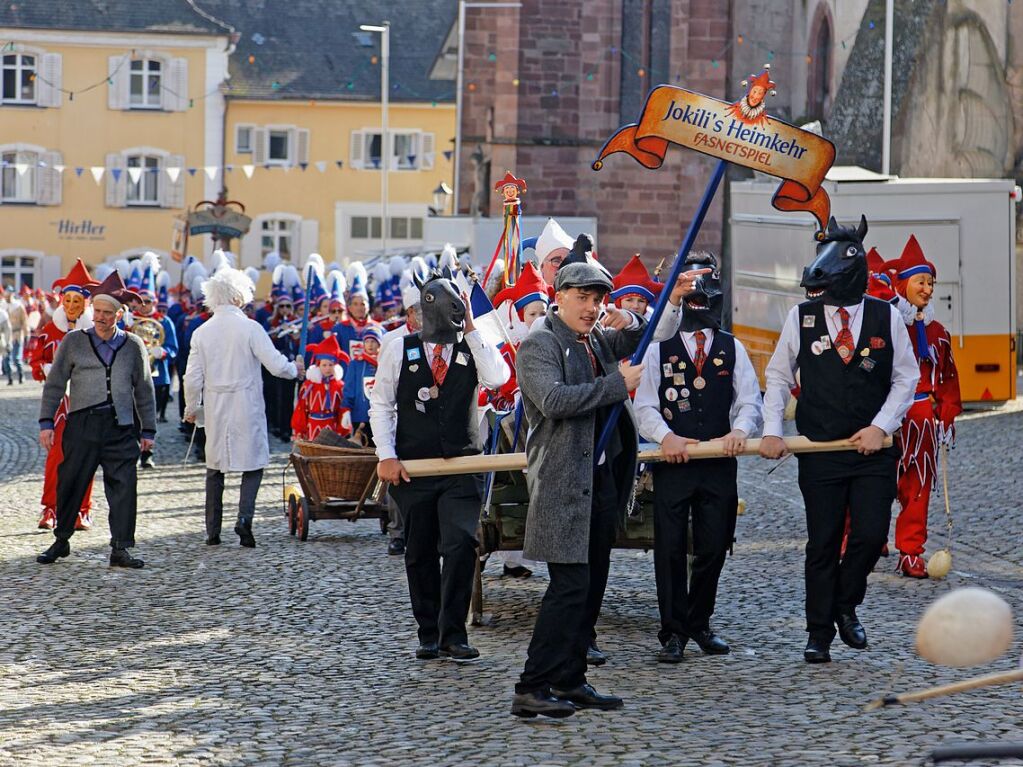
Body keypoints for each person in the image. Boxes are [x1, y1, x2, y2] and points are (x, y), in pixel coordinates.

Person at [509, 256, 707, 718]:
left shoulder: (594, 337)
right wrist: (615, 385)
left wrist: (669, 301)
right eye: (582, 298)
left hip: (599, 482)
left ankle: (570, 678)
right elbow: (555, 401)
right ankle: (531, 686)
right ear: (558, 297)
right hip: (561, 483)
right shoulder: (540, 344)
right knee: (569, 589)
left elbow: (646, 336)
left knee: (592, 587)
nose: (591, 307)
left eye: (597, 299)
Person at [759, 216, 917, 664]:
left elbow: (906, 378)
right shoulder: (802, 317)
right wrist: (773, 430)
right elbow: (777, 376)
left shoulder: (887, 315)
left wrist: (881, 426)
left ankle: (846, 604)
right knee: (823, 542)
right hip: (820, 451)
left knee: (869, 535)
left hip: (872, 452)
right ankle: (819, 633)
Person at [369, 271, 509, 663]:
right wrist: (386, 455)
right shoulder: (400, 349)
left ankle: (454, 633)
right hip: (414, 469)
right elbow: (381, 405)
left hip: (462, 464)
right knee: (420, 551)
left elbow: (499, 378)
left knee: (462, 543)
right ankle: (428, 632)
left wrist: (472, 330)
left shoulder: (470, 346)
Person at [634, 252, 762, 663]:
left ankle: (699, 621)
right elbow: (645, 406)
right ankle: (673, 632)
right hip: (674, 463)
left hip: (719, 462)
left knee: (712, 546)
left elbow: (750, 402)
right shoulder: (660, 346)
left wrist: (741, 430)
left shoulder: (732, 347)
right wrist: (665, 436)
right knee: (670, 548)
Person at [36, 271, 156, 568]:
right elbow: (55, 384)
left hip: (121, 426)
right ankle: (61, 539)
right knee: (71, 481)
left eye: (108, 313)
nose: (101, 317)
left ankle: (120, 548)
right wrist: (46, 423)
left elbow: (144, 388)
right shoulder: (75, 342)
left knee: (124, 486)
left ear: (119, 314)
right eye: (98, 312)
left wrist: (149, 430)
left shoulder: (132, 345)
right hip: (82, 424)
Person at [184, 267, 305, 548]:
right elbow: (275, 365)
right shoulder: (250, 328)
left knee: (215, 467)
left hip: (216, 403)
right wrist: (294, 369)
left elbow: (192, 377)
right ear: (240, 297)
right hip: (246, 402)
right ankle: (243, 519)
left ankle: (212, 530)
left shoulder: (202, 332)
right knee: (253, 463)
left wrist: (192, 406)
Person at [883, 236, 962, 578]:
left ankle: (911, 550)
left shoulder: (938, 333)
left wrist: (945, 416)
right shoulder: (883, 327)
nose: (928, 289)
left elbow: (948, 379)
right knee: (876, 483)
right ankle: (858, 540)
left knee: (917, 488)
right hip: (884, 418)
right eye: (921, 281)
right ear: (902, 285)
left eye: (931, 282)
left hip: (921, 418)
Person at [29, 259, 99, 531]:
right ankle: (50, 508)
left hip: (88, 402)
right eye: (67, 301)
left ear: (85, 304)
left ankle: (83, 509)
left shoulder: (94, 333)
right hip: (59, 405)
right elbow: (35, 362)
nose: (71, 307)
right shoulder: (49, 331)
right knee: (55, 455)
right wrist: (45, 369)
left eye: (77, 301)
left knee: (86, 456)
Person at [133, 263, 178, 466]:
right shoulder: (130, 320)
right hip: (133, 375)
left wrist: (164, 352)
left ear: (154, 302)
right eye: (140, 301)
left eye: (148, 301)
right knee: (134, 413)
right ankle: (138, 450)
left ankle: (148, 450)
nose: (144, 305)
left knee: (151, 415)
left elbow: (174, 348)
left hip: (158, 375)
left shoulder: (165, 322)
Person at [291, 334, 349, 441]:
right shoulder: (309, 386)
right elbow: (301, 408)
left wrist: (342, 429)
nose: (327, 368)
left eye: (330, 365)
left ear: (335, 366)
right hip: (312, 425)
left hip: (332, 426)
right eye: (324, 365)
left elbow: (342, 409)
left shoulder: (339, 386)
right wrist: (299, 430)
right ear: (318, 366)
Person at [340, 325, 380, 444]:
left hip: (381, 414)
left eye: (373, 341)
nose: (370, 344)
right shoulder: (356, 363)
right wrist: (346, 408)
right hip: (360, 414)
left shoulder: (385, 361)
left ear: (379, 343)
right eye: (367, 341)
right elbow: (349, 388)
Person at [534, 218, 575, 290]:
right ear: (542, 266)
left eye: (567, 261)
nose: (563, 266)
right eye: (556, 261)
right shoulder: (534, 296)